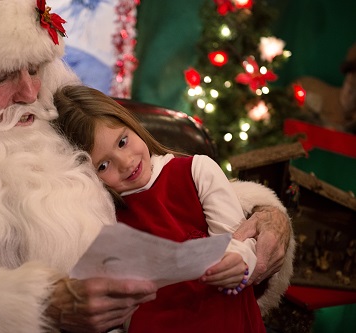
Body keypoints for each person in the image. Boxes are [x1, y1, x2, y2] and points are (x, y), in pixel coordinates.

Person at [0, 0, 293, 332]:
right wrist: (42, 308)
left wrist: (261, 220)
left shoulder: (57, 110)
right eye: (3, 75)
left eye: (36, 66)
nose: (30, 92)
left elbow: (156, 193)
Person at [53, 84, 272, 332]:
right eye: (104, 166)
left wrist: (240, 261)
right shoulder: (104, 215)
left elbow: (237, 240)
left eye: (122, 141)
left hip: (224, 317)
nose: (125, 163)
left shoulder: (196, 171)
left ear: (133, 125)